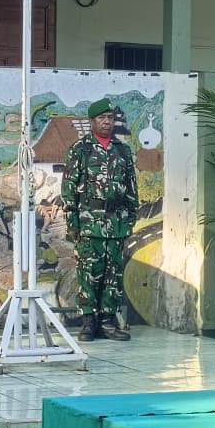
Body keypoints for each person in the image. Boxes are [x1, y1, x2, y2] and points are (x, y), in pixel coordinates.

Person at [61, 98, 139, 342]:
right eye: (101, 118)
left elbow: (131, 190)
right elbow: (69, 189)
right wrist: (73, 223)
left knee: (112, 275)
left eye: (110, 118)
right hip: (89, 222)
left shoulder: (122, 150)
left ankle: (107, 321)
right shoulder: (80, 149)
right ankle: (88, 322)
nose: (107, 122)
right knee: (89, 273)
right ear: (92, 121)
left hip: (116, 223)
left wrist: (130, 220)